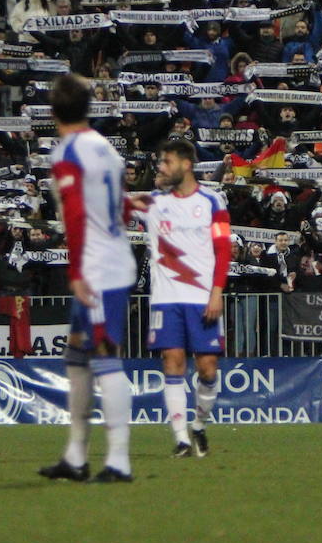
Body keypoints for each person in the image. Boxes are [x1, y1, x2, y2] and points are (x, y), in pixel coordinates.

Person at [37, 73, 137, 484]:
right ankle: (75, 457)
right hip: (112, 256)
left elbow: (76, 214)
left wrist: (77, 271)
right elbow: (122, 209)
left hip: (98, 269)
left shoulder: (68, 152)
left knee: (105, 356)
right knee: (77, 357)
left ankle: (119, 461)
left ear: (53, 112)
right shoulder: (106, 149)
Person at [141, 138, 230, 458]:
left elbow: (223, 249)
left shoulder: (212, 201)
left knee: (207, 369)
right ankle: (180, 440)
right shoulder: (153, 202)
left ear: (186, 165)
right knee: (172, 361)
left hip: (203, 297)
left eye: (167, 162)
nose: (161, 167)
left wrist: (217, 292)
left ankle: (199, 425)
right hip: (166, 298)